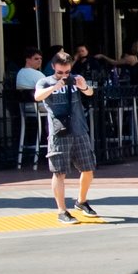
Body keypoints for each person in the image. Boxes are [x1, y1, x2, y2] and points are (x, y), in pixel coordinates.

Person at [34, 52, 99, 224]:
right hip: (59, 131)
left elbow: (90, 93)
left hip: (79, 129)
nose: (64, 75)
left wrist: (83, 86)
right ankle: (62, 210)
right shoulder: (45, 81)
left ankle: (81, 201)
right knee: (59, 172)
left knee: (88, 168)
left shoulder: (75, 79)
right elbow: (37, 96)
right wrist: (54, 87)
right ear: (53, 67)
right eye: (60, 72)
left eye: (67, 72)